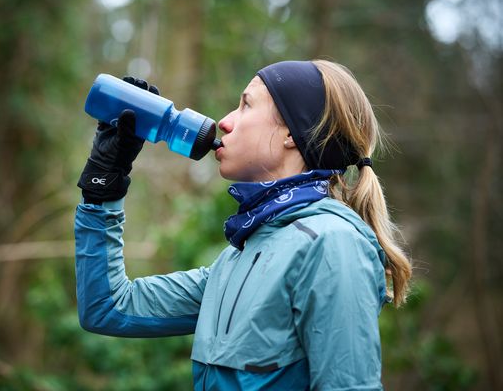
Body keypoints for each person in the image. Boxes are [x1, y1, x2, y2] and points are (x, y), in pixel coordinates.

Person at [74, 61, 413, 390]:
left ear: (292, 134)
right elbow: (108, 308)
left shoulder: (331, 244)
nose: (223, 122)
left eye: (246, 105)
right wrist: (103, 187)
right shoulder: (239, 258)